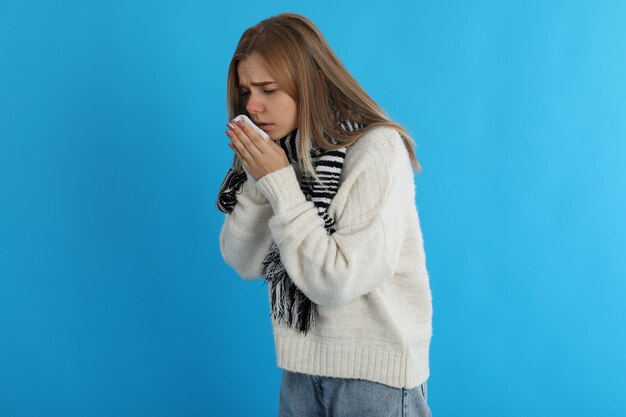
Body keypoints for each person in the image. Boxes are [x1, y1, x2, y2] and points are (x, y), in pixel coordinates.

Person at [217, 12, 433, 417]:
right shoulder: (284, 152)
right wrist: (262, 179)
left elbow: (337, 281)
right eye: (246, 90)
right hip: (300, 370)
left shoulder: (377, 150)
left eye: (268, 88)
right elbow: (242, 260)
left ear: (313, 81)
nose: (253, 105)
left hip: (375, 380)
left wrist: (279, 181)